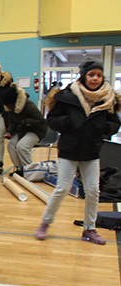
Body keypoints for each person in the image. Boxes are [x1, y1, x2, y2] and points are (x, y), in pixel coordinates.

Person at [35, 57, 120, 245]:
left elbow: (114, 122)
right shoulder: (67, 96)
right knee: (62, 188)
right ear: (83, 76)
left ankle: (89, 229)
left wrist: (103, 128)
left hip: (91, 151)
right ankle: (45, 222)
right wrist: (70, 123)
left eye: (99, 75)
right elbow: (53, 120)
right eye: (91, 75)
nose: (95, 78)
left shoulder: (108, 98)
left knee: (93, 191)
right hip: (69, 150)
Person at [1, 83, 47, 177]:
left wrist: (24, 121)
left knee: (22, 146)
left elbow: (41, 120)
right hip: (22, 131)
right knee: (11, 144)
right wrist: (9, 131)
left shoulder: (28, 105)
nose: (8, 107)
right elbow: (12, 122)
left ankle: (30, 170)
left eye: (9, 105)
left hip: (36, 131)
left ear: (14, 102)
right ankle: (20, 169)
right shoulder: (11, 108)